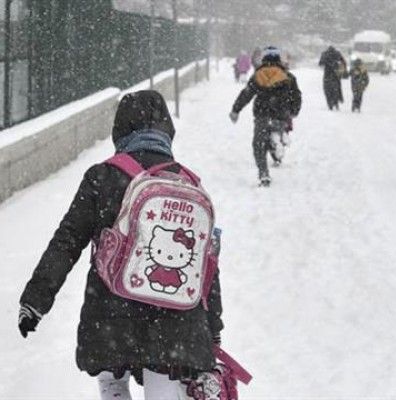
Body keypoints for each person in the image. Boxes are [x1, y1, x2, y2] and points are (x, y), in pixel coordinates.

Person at [17, 90, 224, 399]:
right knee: (164, 382)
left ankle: (114, 388)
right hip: (175, 321)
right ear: (167, 130)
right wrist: (212, 327)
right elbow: (205, 265)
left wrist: (36, 300)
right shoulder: (188, 183)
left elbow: (67, 240)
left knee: (112, 378)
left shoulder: (102, 176)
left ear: (120, 130)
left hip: (110, 313)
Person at [229, 46, 302, 187]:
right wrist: (294, 111)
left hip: (262, 115)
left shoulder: (258, 75)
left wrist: (235, 110)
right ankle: (279, 141)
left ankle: (263, 173)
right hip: (281, 115)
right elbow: (296, 96)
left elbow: (246, 94)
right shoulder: (288, 77)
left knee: (258, 144)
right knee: (277, 131)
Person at [319, 46, 347, 110]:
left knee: (327, 90)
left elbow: (320, 63)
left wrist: (327, 63)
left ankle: (330, 104)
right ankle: (336, 102)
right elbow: (343, 62)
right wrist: (343, 70)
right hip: (336, 75)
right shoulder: (337, 54)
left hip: (327, 75)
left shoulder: (325, 54)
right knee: (336, 89)